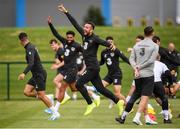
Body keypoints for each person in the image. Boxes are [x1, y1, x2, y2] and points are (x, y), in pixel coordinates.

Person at [58, 4, 124, 116]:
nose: (84, 28)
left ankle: (90, 103)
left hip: (93, 67)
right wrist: (66, 12)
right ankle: (119, 102)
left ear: (92, 30)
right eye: (84, 27)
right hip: (91, 67)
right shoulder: (84, 35)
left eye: (87, 27)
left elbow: (105, 42)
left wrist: (111, 45)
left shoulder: (95, 38)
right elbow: (74, 23)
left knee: (78, 84)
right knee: (101, 89)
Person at [116, 26, 159, 125]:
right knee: (145, 97)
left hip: (138, 75)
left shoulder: (137, 45)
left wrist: (136, 68)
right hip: (148, 74)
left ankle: (123, 117)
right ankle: (137, 117)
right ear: (152, 33)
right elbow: (151, 60)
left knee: (134, 95)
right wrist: (139, 67)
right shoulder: (154, 45)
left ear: (144, 33)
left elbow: (131, 59)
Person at [47, 16, 83, 119]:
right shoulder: (64, 42)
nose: (69, 39)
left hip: (72, 69)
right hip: (67, 70)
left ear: (74, 37)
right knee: (74, 89)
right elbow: (55, 34)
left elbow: (86, 52)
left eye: (71, 37)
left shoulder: (77, 45)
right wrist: (50, 24)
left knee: (62, 88)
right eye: (68, 37)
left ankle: (56, 112)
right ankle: (92, 89)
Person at [17, 32, 60, 120]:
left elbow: (31, 63)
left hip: (39, 74)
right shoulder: (31, 46)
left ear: (21, 41)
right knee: (27, 91)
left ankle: (55, 113)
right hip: (36, 75)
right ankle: (48, 97)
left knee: (41, 95)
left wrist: (24, 73)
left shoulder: (29, 48)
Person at [99, 36, 130, 108]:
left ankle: (128, 107)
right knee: (100, 87)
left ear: (113, 43)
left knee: (117, 93)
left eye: (111, 42)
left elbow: (125, 58)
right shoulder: (103, 52)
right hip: (109, 74)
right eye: (108, 42)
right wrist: (93, 63)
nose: (110, 43)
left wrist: (134, 66)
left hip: (117, 74)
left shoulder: (116, 50)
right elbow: (102, 62)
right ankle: (113, 99)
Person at [44, 39, 71, 114]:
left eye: (53, 45)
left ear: (56, 44)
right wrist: (57, 64)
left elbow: (65, 61)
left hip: (66, 69)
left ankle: (65, 94)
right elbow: (60, 60)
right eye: (51, 46)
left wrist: (57, 66)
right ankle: (53, 109)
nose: (52, 47)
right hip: (63, 70)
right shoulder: (58, 51)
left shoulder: (60, 50)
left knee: (56, 81)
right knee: (60, 86)